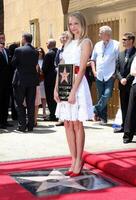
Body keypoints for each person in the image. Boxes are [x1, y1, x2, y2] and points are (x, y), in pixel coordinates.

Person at [54, 12, 93, 177]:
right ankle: (73, 159)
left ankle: (79, 160)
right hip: (64, 81)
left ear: (82, 24)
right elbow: (61, 66)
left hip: (77, 83)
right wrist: (56, 88)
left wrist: (73, 91)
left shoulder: (86, 42)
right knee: (68, 124)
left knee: (77, 124)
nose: (73, 27)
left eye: (76, 23)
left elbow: (83, 68)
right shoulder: (68, 42)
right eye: (70, 24)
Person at [91, 25, 119, 125]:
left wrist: (115, 74)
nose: (99, 35)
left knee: (107, 95)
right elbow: (92, 60)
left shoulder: (116, 44)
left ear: (107, 34)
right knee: (100, 96)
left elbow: (118, 61)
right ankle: (103, 118)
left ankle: (94, 109)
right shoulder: (97, 45)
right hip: (99, 75)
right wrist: (94, 71)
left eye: (100, 33)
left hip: (110, 75)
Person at [12, 33, 39, 132]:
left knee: (19, 103)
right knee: (31, 103)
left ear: (24, 39)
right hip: (32, 81)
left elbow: (13, 63)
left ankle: (22, 126)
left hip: (20, 80)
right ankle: (30, 125)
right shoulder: (35, 51)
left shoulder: (18, 50)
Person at [115, 32, 136, 133]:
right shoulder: (120, 54)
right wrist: (121, 79)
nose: (123, 41)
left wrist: (127, 79)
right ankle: (125, 126)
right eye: (123, 39)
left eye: (125, 40)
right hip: (122, 85)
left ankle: (135, 128)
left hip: (132, 84)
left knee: (133, 106)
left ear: (131, 41)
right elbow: (116, 69)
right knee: (124, 106)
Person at [55, 31, 69, 126]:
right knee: (60, 96)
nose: (63, 39)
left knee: (67, 96)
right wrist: (57, 68)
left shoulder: (71, 48)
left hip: (68, 75)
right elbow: (56, 61)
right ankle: (61, 118)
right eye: (62, 37)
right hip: (60, 75)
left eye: (65, 37)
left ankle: (67, 118)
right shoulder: (59, 49)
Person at [42, 39, 58, 121]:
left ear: (50, 44)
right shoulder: (59, 52)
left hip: (49, 79)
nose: (46, 43)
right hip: (59, 78)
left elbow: (44, 68)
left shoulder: (48, 54)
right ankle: (57, 114)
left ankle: (52, 115)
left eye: (47, 42)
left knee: (50, 97)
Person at [0, 33, 12, 129]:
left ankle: (4, 121)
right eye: (1, 38)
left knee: (5, 101)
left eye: (3, 38)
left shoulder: (7, 51)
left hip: (7, 82)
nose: (2, 39)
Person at [37, 47, 47, 119]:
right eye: (38, 51)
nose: (39, 52)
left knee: (43, 98)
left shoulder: (44, 60)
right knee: (36, 98)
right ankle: (36, 114)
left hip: (43, 80)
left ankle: (44, 112)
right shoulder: (34, 60)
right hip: (36, 81)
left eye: (41, 51)